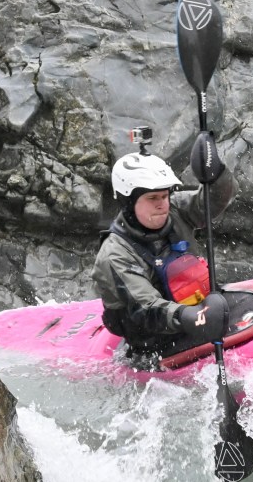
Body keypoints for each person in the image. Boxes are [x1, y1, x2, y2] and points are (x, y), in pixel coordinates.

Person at [92, 127, 237, 361]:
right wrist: (193, 318)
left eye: (164, 196)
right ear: (129, 202)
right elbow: (147, 307)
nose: (162, 204)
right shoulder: (115, 254)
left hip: (198, 311)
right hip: (155, 348)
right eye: (152, 199)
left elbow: (213, 201)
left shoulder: (174, 211)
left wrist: (216, 173)